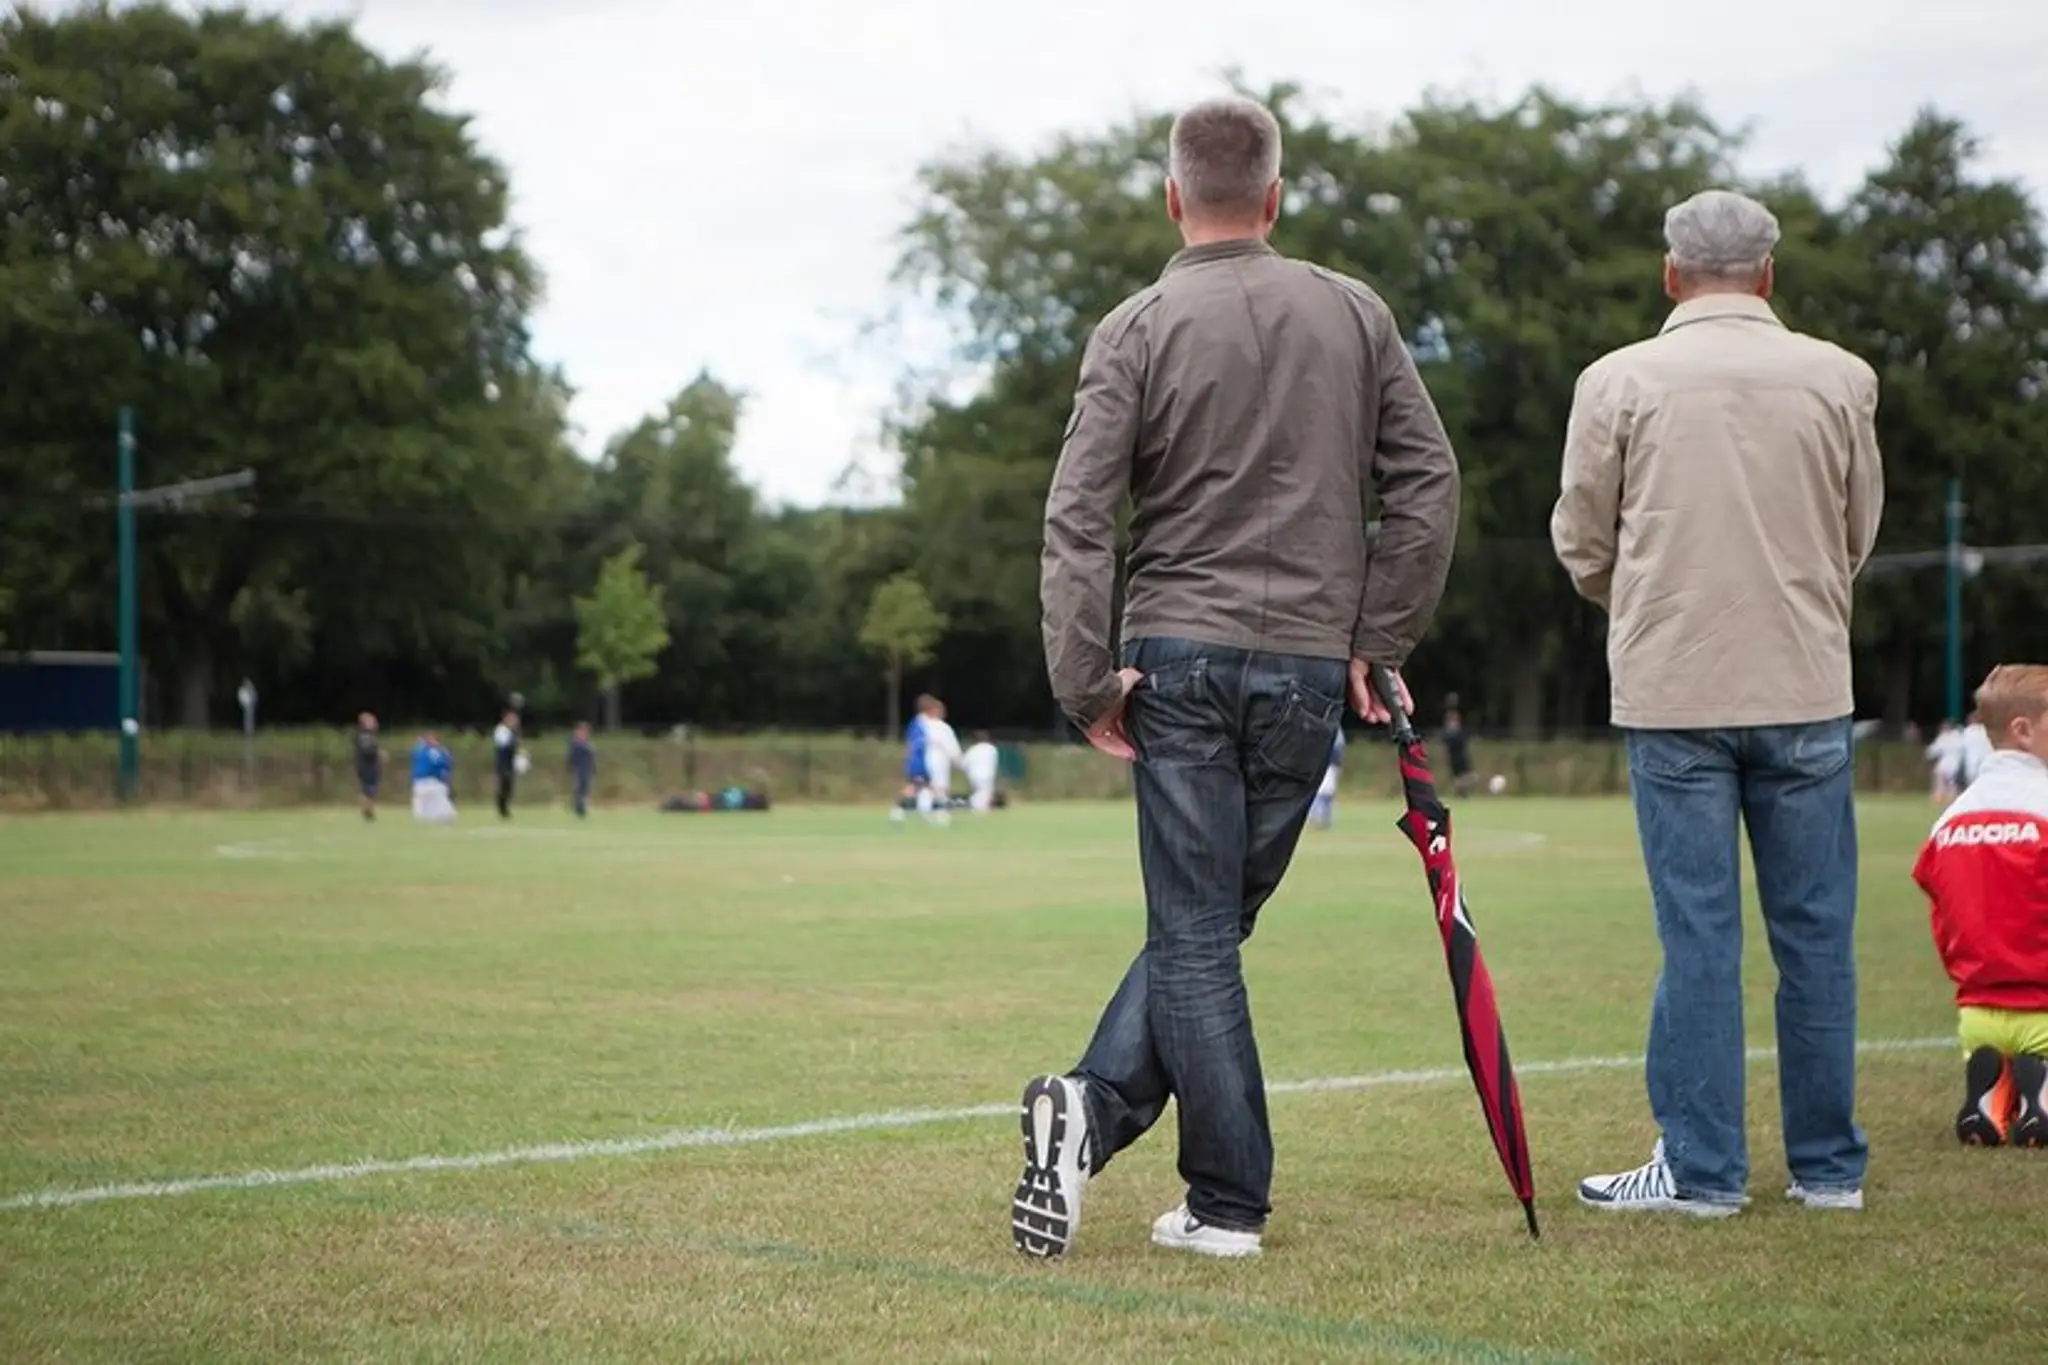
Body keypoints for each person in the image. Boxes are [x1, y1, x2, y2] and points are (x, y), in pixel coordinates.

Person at [1019, 95, 1460, 1260]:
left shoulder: (1136, 324)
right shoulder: (1354, 313)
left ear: (1174, 198)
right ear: (1273, 197)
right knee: (1210, 927)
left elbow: (1077, 517)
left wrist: (1082, 679)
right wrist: (1380, 638)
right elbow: (1427, 482)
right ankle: (1167, 1162)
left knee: (1199, 928)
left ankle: (1147, 1149)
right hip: (1308, 663)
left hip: (1175, 655)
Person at [1552, 189, 1884, 1216]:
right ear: (1767, 274)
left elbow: (1580, 542)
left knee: (1697, 938)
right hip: (1802, 683)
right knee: (1814, 937)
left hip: (1671, 691)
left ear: (1668, 273)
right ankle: (1826, 1170)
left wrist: (1648, 598)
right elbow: (1854, 530)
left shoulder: (1615, 381)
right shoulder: (1839, 378)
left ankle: (1701, 1174)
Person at [1911, 665, 2048, 1149]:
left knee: (1996, 1047)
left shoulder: (1953, 817)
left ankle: (1994, 1094)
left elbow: (1938, 899)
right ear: (2023, 730)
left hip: (1976, 1007)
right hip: (2043, 1004)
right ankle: (2043, 1095)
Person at [409, 732, 456, 824]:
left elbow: (414, 754)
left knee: (420, 812)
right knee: (446, 814)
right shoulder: (435, 751)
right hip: (432, 783)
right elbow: (445, 764)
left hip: (418, 784)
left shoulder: (418, 750)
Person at [1309, 726, 1346, 830]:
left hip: (1331, 767)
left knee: (1327, 794)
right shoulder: (1329, 730)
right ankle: (1318, 818)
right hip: (1325, 766)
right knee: (1322, 794)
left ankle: (1323, 819)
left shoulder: (1335, 731)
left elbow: (1338, 753)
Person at [1927, 719, 1966, 804]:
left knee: (1947, 782)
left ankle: (1945, 798)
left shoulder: (1948, 736)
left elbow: (1933, 750)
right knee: (1947, 782)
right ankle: (1945, 798)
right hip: (1950, 762)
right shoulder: (1958, 736)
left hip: (1951, 762)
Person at [491, 710, 521, 820]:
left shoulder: (513, 732)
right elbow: (503, 746)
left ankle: (505, 807)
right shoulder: (501, 730)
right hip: (502, 763)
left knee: (509, 787)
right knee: (503, 786)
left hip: (509, 763)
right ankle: (501, 808)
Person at [1442, 701, 1476, 799]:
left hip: (1461, 756)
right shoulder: (1450, 734)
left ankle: (1460, 792)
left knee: (1467, 777)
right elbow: (1446, 746)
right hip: (1456, 758)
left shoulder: (1458, 732)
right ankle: (1459, 792)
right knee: (1465, 777)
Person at [353, 712, 383, 822]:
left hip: (372, 766)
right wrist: (378, 753)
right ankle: (366, 810)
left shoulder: (370, 736)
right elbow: (367, 751)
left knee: (372, 791)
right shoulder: (364, 736)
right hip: (366, 767)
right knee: (368, 790)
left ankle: (369, 810)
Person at [964, 730, 1002, 812]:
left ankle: (978, 806)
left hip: (974, 774)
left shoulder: (972, 749)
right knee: (986, 792)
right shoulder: (991, 748)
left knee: (979, 791)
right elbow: (993, 762)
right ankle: (980, 807)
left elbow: (965, 763)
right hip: (987, 773)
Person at [1960, 710, 1995, 791]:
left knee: (1977, 776)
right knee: (1973, 776)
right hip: (1976, 756)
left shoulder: (1982, 730)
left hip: (1981, 756)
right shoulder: (1969, 730)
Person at [568, 722, 596, 819]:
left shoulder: (586, 743)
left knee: (585, 789)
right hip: (579, 768)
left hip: (586, 769)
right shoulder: (576, 743)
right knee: (579, 788)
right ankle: (579, 808)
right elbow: (573, 757)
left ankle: (583, 807)